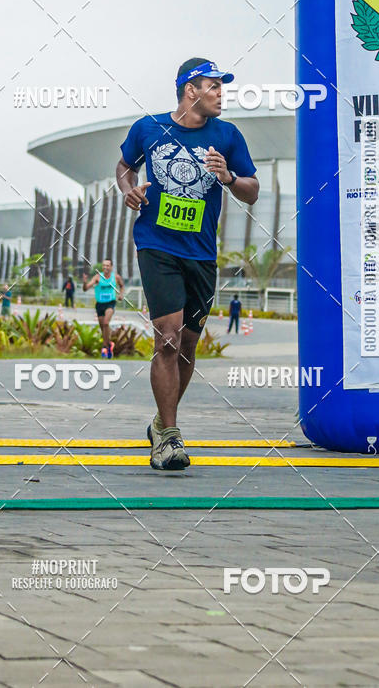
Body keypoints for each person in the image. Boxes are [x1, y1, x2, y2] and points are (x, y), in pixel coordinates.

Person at [116, 57, 259, 471]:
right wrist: (129, 190)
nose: (221, 94)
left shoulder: (228, 135)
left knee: (190, 344)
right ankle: (170, 441)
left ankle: (161, 423)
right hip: (156, 245)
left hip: (201, 253)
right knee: (168, 337)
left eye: (221, 87)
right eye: (214, 86)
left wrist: (229, 178)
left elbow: (251, 191)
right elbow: (125, 166)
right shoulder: (149, 128)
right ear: (190, 90)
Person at [82, 259, 124, 358]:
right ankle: (109, 345)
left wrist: (121, 295)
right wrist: (84, 282)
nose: (105, 267)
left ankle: (104, 347)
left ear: (111, 267)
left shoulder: (116, 277)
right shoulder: (97, 277)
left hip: (110, 303)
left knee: (106, 323)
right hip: (100, 304)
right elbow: (85, 289)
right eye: (104, 265)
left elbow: (122, 286)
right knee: (103, 327)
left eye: (107, 265)